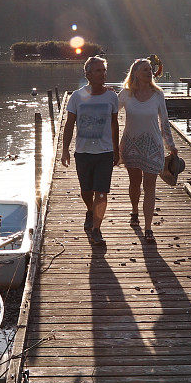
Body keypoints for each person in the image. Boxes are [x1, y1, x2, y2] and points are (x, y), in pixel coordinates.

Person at [61, 56, 120, 246]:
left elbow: (114, 124)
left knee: (101, 193)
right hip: (83, 152)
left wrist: (116, 149)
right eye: (98, 71)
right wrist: (65, 150)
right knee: (86, 191)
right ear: (87, 74)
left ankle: (97, 229)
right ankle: (89, 210)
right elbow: (69, 125)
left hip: (105, 153)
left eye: (104, 70)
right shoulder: (77, 96)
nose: (102, 74)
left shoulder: (112, 96)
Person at [119, 58, 178, 244]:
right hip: (131, 145)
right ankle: (134, 210)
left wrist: (171, 145)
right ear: (135, 72)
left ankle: (148, 228)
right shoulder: (126, 94)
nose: (149, 72)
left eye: (150, 69)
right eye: (144, 69)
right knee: (134, 183)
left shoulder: (158, 94)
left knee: (150, 186)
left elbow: (164, 123)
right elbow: (110, 112)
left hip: (153, 146)